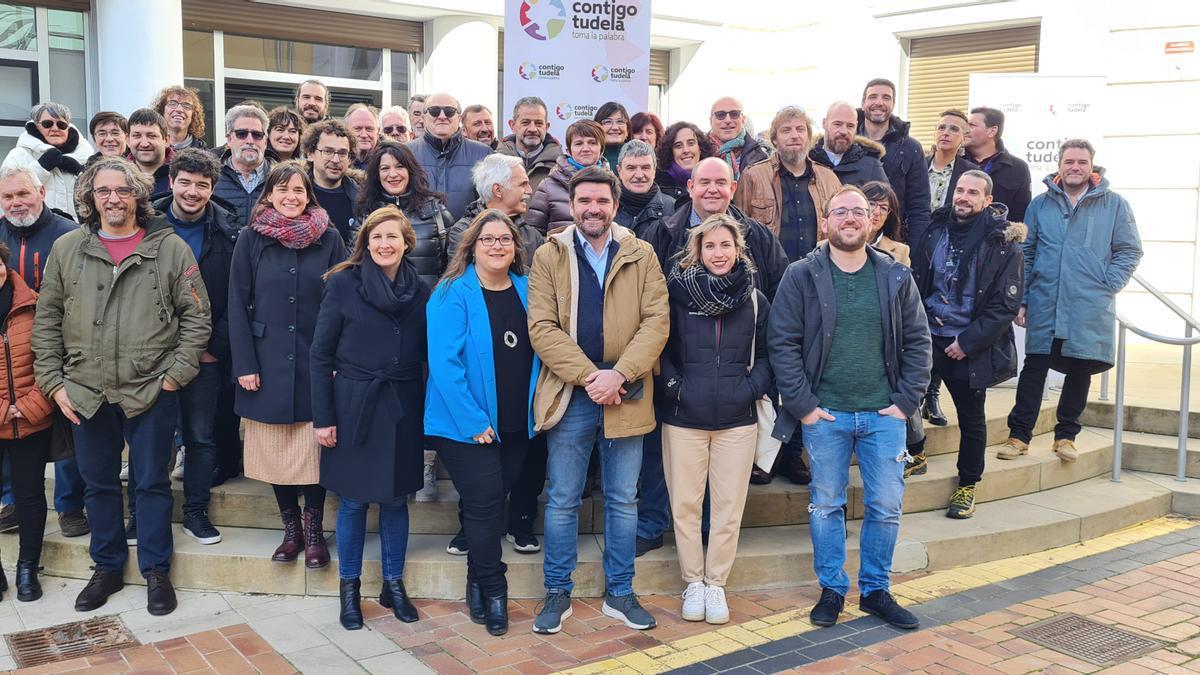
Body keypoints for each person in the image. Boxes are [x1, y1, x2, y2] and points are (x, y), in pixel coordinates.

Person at [32, 157, 211, 616]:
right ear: (90, 198)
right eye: (103, 191)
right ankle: (107, 566)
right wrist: (54, 383)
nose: (113, 199)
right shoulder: (68, 249)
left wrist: (174, 375)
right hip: (86, 390)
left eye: (123, 190)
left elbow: (196, 318)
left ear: (138, 195)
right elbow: (46, 320)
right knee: (99, 484)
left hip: (150, 389)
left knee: (151, 482)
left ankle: (156, 570)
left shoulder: (169, 249)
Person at [768, 184, 930, 630]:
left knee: (886, 505)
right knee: (825, 504)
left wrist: (904, 402)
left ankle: (876, 590)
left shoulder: (896, 275)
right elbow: (782, 343)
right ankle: (833, 589)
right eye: (840, 211)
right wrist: (803, 406)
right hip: (827, 416)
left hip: (884, 415)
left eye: (858, 211)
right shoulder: (802, 275)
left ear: (871, 219)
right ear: (826, 221)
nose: (850, 219)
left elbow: (919, 342)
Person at [528, 166, 668, 635]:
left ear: (614, 204)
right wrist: (592, 377)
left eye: (601, 201)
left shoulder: (640, 253)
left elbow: (656, 322)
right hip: (572, 393)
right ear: (571, 204)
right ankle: (557, 591)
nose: (593, 209)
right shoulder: (550, 255)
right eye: (584, 201)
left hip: (626, 393)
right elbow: (541, 328)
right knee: (564, 498)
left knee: (624, 499)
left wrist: (620, 375)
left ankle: (621, 592)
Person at [311, 205, 427, 630]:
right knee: (355, 502)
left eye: (392, 237)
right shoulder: (344, 283)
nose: (384, 244)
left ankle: (393, 583)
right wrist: (322, 417)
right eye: (376, 238)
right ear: (365, 243)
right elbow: (320, 354)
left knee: (397, 500)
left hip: (401, 406)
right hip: (353, 405)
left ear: (406, 242)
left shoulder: (419, 289)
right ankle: (350, 589)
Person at [427, 209, 541, 636]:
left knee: (492, 502)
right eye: (488, 239)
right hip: (464, 425)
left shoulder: (529, 290)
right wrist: (473, 420)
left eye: (505, 240)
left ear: (516, 248)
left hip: (516, 423)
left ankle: (477, 578)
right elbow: (444, 362)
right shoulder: (451, 292)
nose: (497, 246)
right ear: (471, 247)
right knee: (486, 503)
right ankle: (494, 590)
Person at [229, 162, 347, 570]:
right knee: (279, 450)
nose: (291, 197)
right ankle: (291, 530)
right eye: (283, 190)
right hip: (267, 360)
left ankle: (314, 531)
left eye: (299, 190)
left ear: (308, 194)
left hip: (317, 359)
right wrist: (244, 361)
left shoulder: (330, 238)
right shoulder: (251, 238)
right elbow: (236, 303)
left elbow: (344, 297)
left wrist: (338, 359)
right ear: (269, 195)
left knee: (313, 451)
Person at [658, 214, 772, 625]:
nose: (718, 253)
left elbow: (771, 354)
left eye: (726, 246)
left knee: (728, 506)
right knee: (686, 504)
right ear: (697, 250)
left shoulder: (755, 298)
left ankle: (716, 582)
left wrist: (751, 389)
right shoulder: (676, 295)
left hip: (737, 420)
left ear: (738, 250)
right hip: (684, 417)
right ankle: (693, 581)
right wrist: (676, 389)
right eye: (710, 246)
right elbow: (661, 349)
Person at [1000, 139, 1142, 463]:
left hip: (1087, 303)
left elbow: (1129, 250)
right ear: (1059, 165)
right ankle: (1018, 436)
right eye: (1069, 161)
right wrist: (1021, 299)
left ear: (1092, 166)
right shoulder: (1040, 204)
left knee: (1080, 368)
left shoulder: (1115, 204)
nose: (1074, 167)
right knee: (1034, 367)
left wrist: (1108, 283)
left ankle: (1065, 436)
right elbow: (1027, 251)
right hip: (1046, 298)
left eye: (1081, 162)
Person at [447, 155, 547, 556]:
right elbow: (457, 283)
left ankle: (521, 519)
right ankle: (469, 523)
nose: (530, 190)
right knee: (478, 456)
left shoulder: (534, 236)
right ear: (498, 190)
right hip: (477, 359)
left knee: (525, 446)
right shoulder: (461, 231)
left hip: (523, 355)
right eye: (523, 183)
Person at [909, 170, 1023, 517]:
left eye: (973, 192)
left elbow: (1004, 305)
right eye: (960, 190)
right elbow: (918, 281)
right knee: (903, 400)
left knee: (972, 419)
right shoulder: (934, 229)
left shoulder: (1002, 244)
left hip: (967, 346)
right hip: (927, 335)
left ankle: (967, 485)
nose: (963, 196)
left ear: (987, 201)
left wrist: (968, 342)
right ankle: (916, 454)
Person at [151, 149, 241, 544]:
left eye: (201, 185)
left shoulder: (227, 230)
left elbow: (237, 295)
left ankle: (195, 512)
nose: (192, 191)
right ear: (171, 182)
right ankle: (143, 514)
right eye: (184, 182)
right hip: (150, 354)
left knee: (201, 438)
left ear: (212, 188)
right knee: (150, 439)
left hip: (204, 354)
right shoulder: (146, 226)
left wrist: (215, 347)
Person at [0, 166, 88, 538]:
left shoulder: (68, 234)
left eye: (23, 194)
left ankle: (70, 506)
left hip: (62, 348)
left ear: (40, 191)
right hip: (8, 351)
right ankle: (12, 501)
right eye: (8, 197)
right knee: (9, 429)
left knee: (64, 433)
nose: (16, 203)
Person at [0, 239, 56, 602]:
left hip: (31, 418)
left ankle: (27, 568)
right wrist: (4, 409)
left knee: (30, 495)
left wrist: (33, 405)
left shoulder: (34, 303)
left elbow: (53, 357)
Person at [655, 158, 788, 300]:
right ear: (691, 187)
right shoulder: (663, 234)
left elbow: (781, 294)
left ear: (732, 189)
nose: (712, 190)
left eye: (721, 182)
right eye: (705, 182)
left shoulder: (760, 236)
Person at [734, 105, 841, 262]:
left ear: (809, 137)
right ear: (774, 140)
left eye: (800, 129)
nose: (794, 135)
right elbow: (738, 230)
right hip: (771, 277)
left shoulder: (829, 179)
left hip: (818, 274)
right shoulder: (753, 177)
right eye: (786, 130)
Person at [355, 142, 453, 292]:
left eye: (400, 166)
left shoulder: (436, 212)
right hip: (379, 307)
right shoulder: (365, 215)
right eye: (385, 168)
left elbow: (455, 265)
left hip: (428, 305)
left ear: (410, 170)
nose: (393, 174)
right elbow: (353, 267)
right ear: (377, 175)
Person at [857, 78, 932, 246]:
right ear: (863, 104)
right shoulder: (847, 143)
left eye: (886, 98)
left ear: (892, 104)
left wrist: (915, 250)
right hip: (848, 235)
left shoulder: (910, 148)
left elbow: (919, 206)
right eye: (873, 97)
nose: (879, 102)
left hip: (891, 241)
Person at [406, 92, 492, 222]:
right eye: (434, 111)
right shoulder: (406, 153)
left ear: (459, 118)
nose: (442, 116)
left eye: (449, 111)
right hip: (419, 240)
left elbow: (493, 205)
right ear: (424, 118)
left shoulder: (483, 154)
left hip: (467, 238)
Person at [2, 102, 94, 219]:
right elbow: (6, 192)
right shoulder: (18, 155)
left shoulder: (86, 157)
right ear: (36, 127)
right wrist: (41, 167)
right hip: (35, 230)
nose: (55, 128)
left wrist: (81, 173)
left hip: (79, 232)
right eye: (47, 124)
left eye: (61, 125)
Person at [525, 119, 606, 234]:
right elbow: (533, 234)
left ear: (601, 149)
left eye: (592, 143)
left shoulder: (613, 185)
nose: (586, 148)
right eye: (578, 143)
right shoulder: (548, 187)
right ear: (569, 150)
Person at [963, 107, 1032, 222]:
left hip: (997, 237)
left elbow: (1021, 215)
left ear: (992, 131)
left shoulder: (1018, 168)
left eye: (972, 125)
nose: (965, 130)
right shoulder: (955, 161)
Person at [214, 105, 274, 227]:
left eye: (257, 135)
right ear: (229, 139)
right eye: (242, 134)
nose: (250, 141)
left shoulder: (279, 178)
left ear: (265, 142)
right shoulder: (211, 177)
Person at [302, 119, 360, 244]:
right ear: (310, 154)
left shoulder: (362, 198)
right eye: (328, 151)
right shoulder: (295, 195)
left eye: (342, 153)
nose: (335, 159)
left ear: (350, 159)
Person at [808, 102, 888, 188]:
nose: (844, 131)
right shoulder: (807, 162)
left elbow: (885, 200)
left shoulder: (871, 166)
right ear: (824, 123)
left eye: (850, 126)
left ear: (856, 127)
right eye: (837, 124)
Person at [497, 96, 561, 193]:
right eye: (525, 123)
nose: (532, 129)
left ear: (546, 127)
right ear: (512, 125)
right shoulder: (496, 162)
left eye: (538, 123)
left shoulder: (561, 166)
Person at [614, 140, 675, 240]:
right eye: (631, 168)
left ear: (654, 170)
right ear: (619, 171)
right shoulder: (606, 208)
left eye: (645, 168)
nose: (639, 175)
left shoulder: (674, 209)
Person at [927, 110, 979, 212]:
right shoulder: (917, 165)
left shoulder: (971, 173)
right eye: (941, 128)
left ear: (964, 138)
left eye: (954, 129)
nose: (945, 133)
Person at [709, 97, 768, 179]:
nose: (727, 120)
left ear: (743, 120)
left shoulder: (761, 159)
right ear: (710, 120)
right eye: (720, 115)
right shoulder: (698, 154)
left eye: (734, 114)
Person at [655, 121, 713, 204]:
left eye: (691, 143)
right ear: (670, 152)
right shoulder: (659, 186)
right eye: (678, 146)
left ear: (700, 148)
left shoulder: (715, 179)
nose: (686, 150)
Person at [125, 108, 174, 195]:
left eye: (151, 136)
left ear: (166, 140)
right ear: (128, 140)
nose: (144, 144)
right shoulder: (117, 174)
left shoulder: (183, 171)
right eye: (137, 136)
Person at [861, 181, 910, 265]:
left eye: (883, 208)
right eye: (872, 204)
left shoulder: (901, 252)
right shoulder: (837, 241)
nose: (877, 212)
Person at [152, 85, 208, 151]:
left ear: (194, 115)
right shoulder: (150, 148)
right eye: (172, 104)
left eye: (186, 106)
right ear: (162, 110)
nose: (179, 110)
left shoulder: (203, 153)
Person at [344, 104, 380, 171]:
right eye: (358, 128)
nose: (364, 135)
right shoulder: (335, 161)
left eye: (369, 129)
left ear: (378, 132)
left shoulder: (389, 162)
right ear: (346, 131)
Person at [595, 102, 631, 169]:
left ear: (628, 129)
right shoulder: (588, 156)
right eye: (608, 122)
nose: (615, 127)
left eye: (620, 122)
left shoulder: (639, 155)